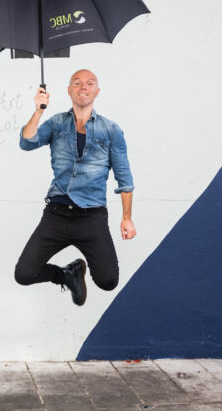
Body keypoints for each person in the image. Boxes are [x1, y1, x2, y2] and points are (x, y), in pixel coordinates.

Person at [14, 69, 136, 306]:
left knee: (108, 280)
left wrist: (127, 218)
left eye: (90, 83)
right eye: (77, 83)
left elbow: (125, 178)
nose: (83, 87)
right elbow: (26, 142)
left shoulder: (110, 130)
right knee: (24, 274)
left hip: (92, 218)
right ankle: (67, 275)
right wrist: (38, 111)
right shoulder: (57, 123)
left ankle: (81, 268)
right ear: (69, 90)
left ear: (97, 92)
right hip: (56, 215)